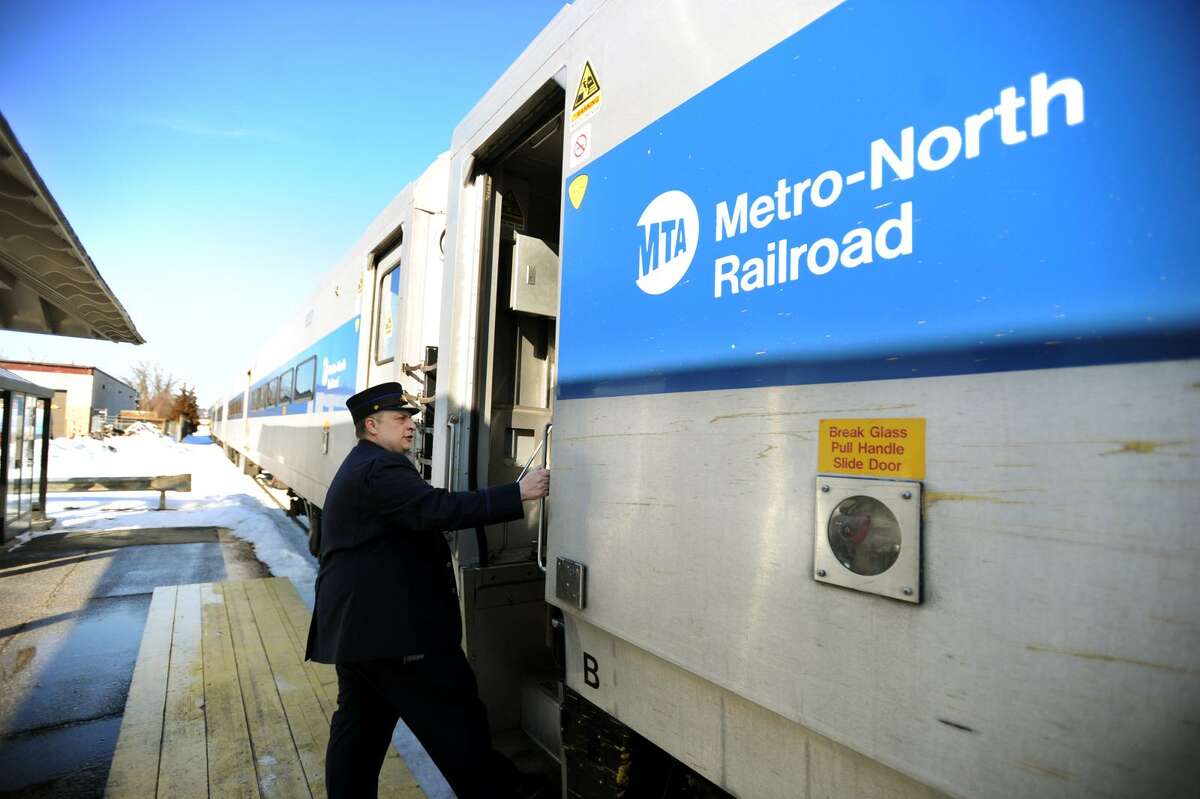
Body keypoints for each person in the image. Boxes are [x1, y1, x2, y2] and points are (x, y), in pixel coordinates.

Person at [305, 381, 550, 799]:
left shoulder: (366, 463)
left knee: (360, 731)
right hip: (395, 632)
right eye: (400, 419)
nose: (410, 426)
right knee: (454, 720)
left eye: (410, 419)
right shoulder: (378, 469)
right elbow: (435, 510)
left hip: (361, 631)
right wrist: (517, 492)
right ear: (371, 425)